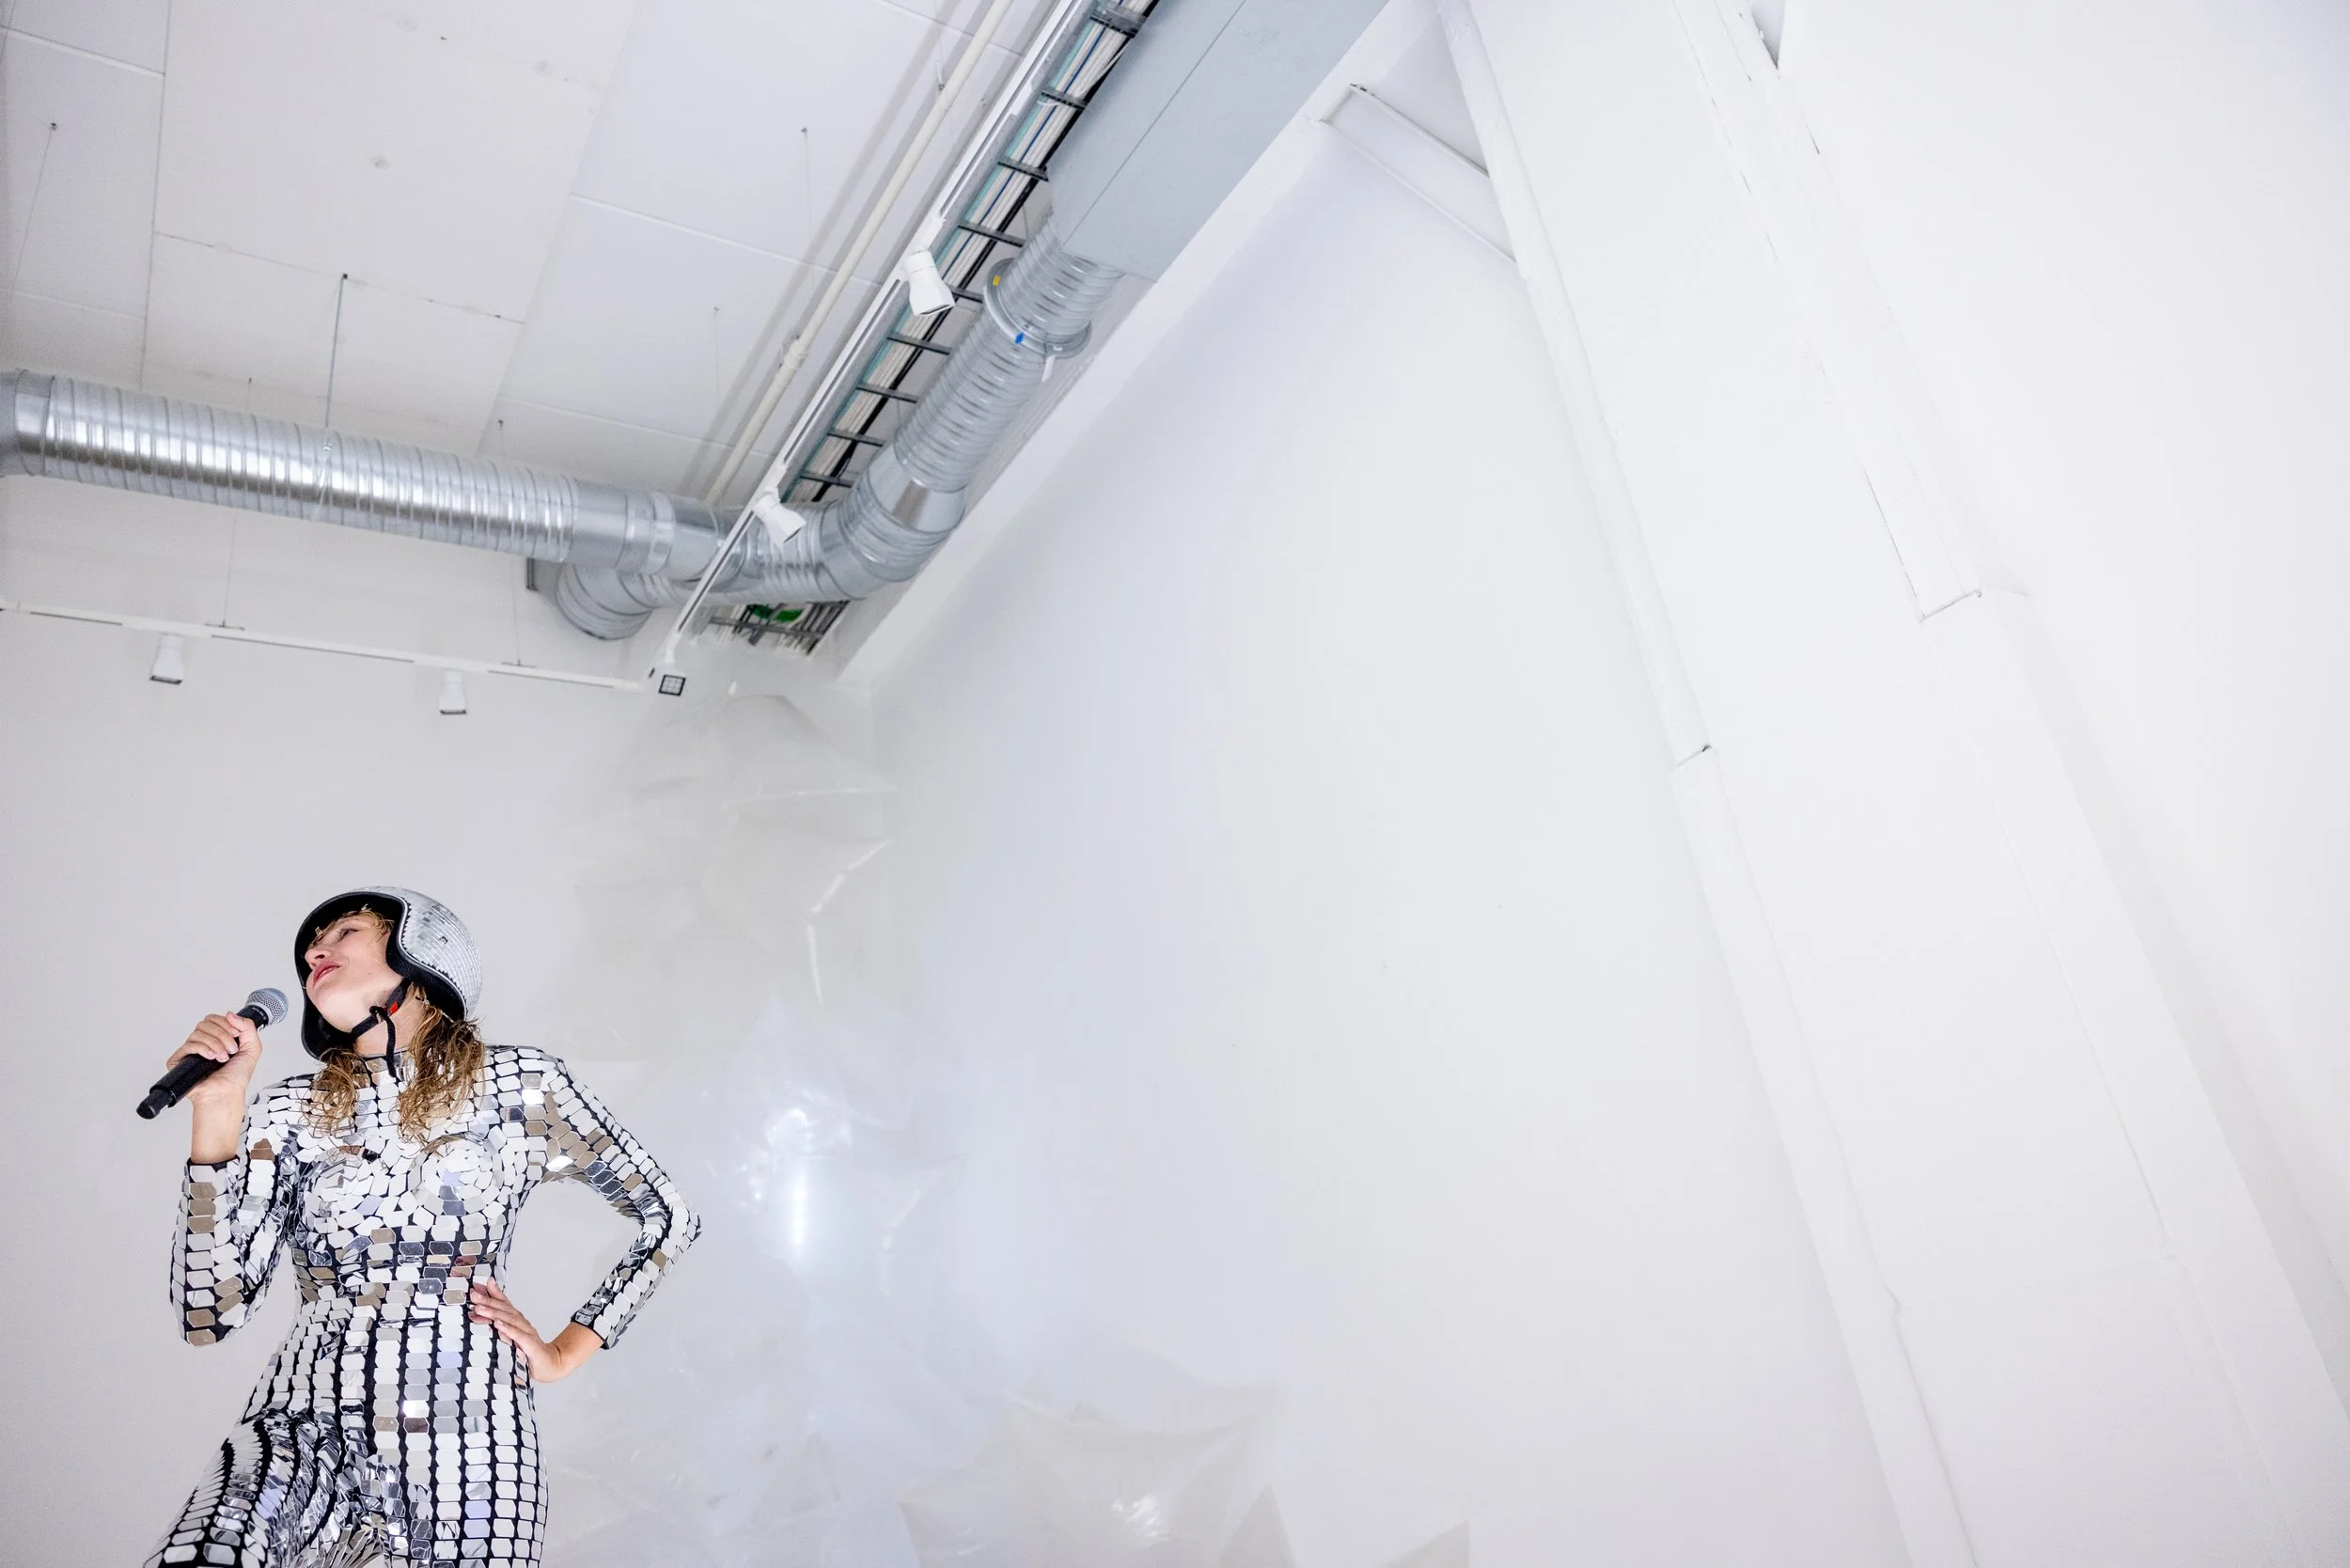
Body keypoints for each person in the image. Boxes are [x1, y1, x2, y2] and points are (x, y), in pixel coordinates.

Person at [146, 887, 699, 1566]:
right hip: (305, 1425)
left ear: (422, 950)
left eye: (344, 932)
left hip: (474, 1453)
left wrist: (565, 1353)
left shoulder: (523, 1085)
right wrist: (218, 1109)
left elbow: (668, 1217)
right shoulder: (288, 1110)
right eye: (312, 946)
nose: (316, 951)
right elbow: (207, 1312)